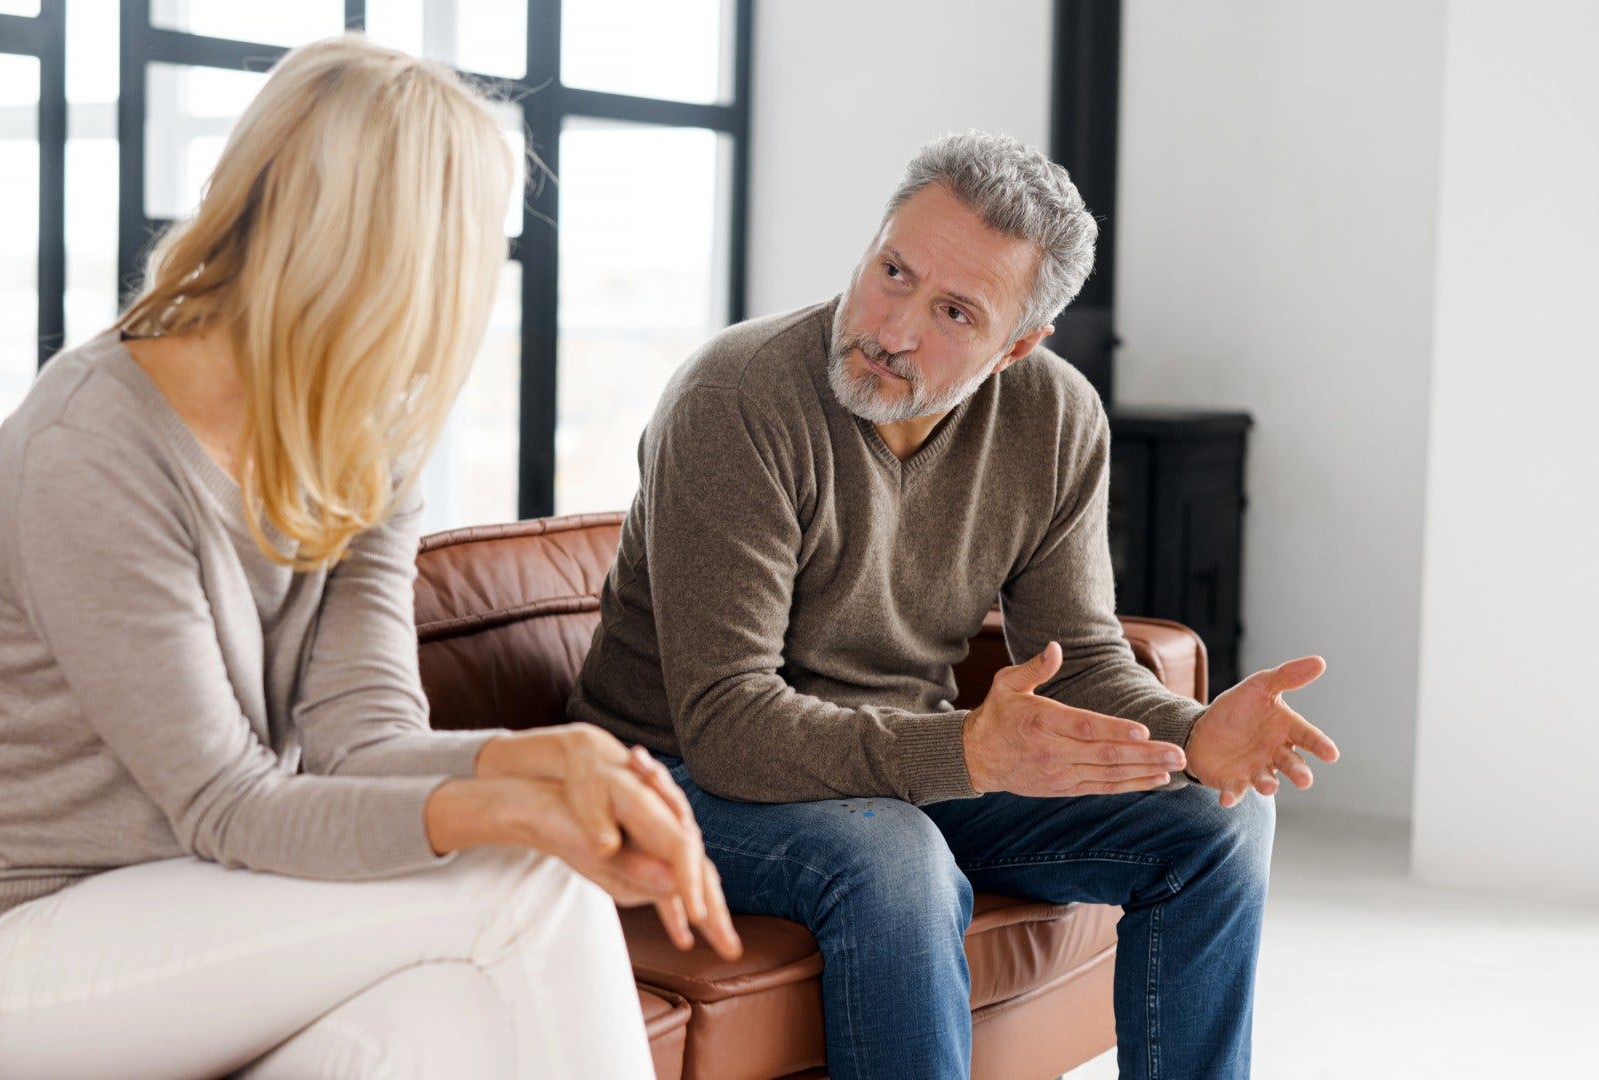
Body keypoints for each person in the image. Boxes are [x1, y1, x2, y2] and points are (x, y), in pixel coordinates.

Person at [0, 36, 738, 1080]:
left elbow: (364, 740)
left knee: (450, 1017)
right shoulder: (89, 444)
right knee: (532, 883)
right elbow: (232, 805)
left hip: (179, 907)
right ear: (381, 255)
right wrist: (519, 809)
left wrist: (556, 758)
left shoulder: (362, 437)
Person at [568, 129, 1339, 1079]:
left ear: (1018, 344)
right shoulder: (736, 400)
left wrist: (1189, 736)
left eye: (954, 313)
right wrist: (962, 752)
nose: (892, 329)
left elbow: (1086, 661)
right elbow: (727, 721)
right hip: (684, 771)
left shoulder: (1055, 419)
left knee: (1220, 822)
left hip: (902, 759)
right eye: (891, 270)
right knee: (897, 855)